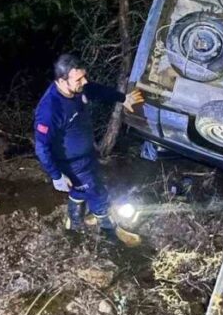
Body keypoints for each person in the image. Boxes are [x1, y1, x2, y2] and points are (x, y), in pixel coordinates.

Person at [33, 54, 144, 244]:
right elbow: (42, 147)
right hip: (72, 164)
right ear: (61, 81)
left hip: (87, 156)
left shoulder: (77, 89)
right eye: (78, 79)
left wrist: (123, 98)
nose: (84, 82)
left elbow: (96, 90)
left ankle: (74, 222)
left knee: (80, 189)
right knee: (98, 193)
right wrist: (56, 175)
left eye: (84, 76)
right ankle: (112, 234)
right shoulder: (50, 110)